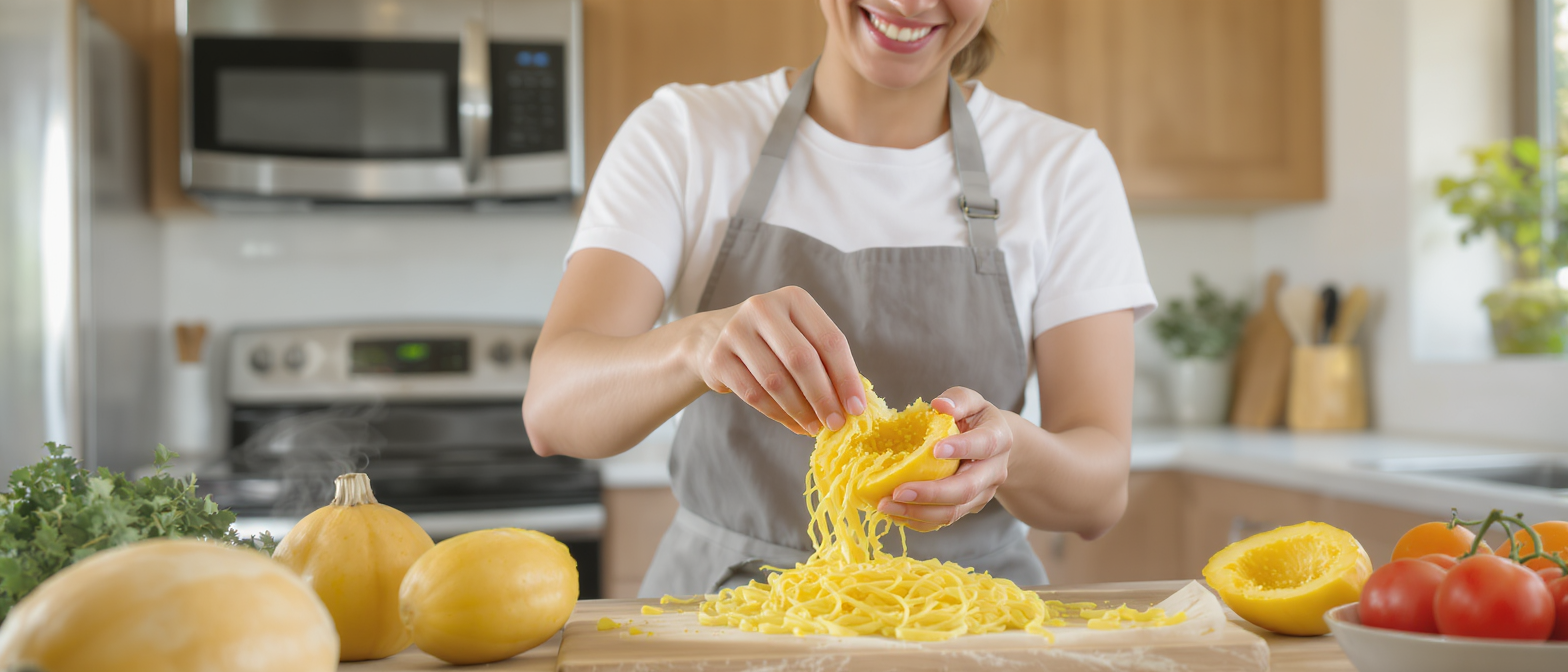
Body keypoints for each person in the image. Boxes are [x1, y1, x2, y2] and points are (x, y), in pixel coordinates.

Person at [523, 0, 1155, 597]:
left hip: (970, 620)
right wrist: (697, 344)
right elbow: (553, 410)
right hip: (723, 608)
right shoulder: (685, 134)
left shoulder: (1064, 168)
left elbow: (1099, 498)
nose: (910, 4)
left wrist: (1010, 452)